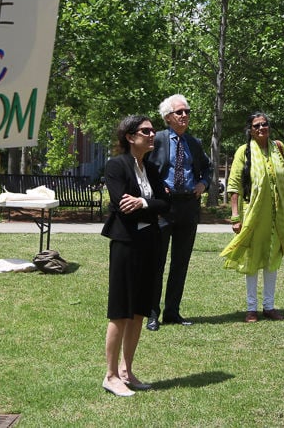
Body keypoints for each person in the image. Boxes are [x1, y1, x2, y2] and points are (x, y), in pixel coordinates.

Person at [101, 114, 170, 397]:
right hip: (126, 243)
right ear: (130, 137)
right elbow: (121, 205)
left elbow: (166, 203)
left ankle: (127, 370)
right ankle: (110, 375)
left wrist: (143, 201)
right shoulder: (115, 166)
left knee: (140, 310)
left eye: (153, 130)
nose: (152, 134)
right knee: (121, 311)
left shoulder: (151, 168)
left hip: (149, 243)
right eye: (146, 131)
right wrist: (150, 204)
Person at [221, 112, 284, 322]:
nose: (262, 128)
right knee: (253, 259)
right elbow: (234, 184)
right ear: (250, 129)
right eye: (257, 125)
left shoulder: (279, 149)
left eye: (265, 124)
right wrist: (235, 215)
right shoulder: (243, 152)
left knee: (273, 257)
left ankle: (269, 306)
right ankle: (251, 308)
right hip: (253, 213)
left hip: (278, 213)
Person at [145, 94, 211, 332]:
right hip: (164, 207)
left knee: (180, 263)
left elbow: (207, 168)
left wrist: (204, 184)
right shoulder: (158, 139)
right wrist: (155, 186)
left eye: (187, 112)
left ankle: (173, 312)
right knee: (157, 263)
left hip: (188, 208)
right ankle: (153, 314)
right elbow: (144, 165)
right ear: (168, 117)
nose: (185, 116)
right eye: (180, 112)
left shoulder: (194, 143)